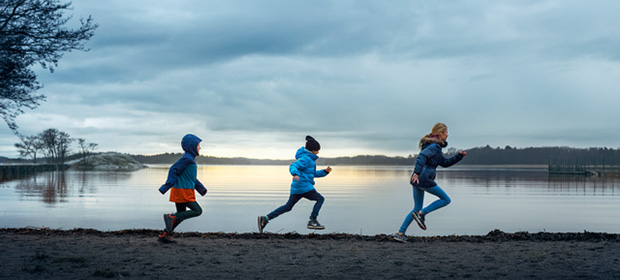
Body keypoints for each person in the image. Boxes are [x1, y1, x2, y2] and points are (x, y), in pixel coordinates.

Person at [393, 123, 467, 243]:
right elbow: (421, 157)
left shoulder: (434, 147)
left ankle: (400, 233)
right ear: (441, 133)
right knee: (446, 200)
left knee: (416, 208)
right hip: (423, 178)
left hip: (417, 179)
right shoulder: (435, 147)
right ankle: (422, 213)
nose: (448, 135)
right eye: (446, 132)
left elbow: (445, 163)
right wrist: (417, 172)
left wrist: (459, 156)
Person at [258, 136, 332, 233]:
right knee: (320, 199)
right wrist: (294, 173)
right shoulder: (306, 159)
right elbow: (293, 166)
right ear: (312, 150)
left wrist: (325, 172)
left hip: (297, 188)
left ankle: (265, 219)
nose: (318, 152)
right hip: (304, 186)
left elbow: (312, 174)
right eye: (317, 150)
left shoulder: (308, 159)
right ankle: (312, 220)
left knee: (288, 207)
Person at [157, 134, 208, 243]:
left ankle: (164, 235)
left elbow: (191, 178)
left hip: (182, 190)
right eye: (198, 145)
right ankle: (171, 217)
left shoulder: (190, 159)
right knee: (197, 211)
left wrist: (201, 189)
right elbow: (173, 169)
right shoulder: (187, 159)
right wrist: (166, 185)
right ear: (192, 146)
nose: (200, 147)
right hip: (183, 192)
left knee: (180, 216)